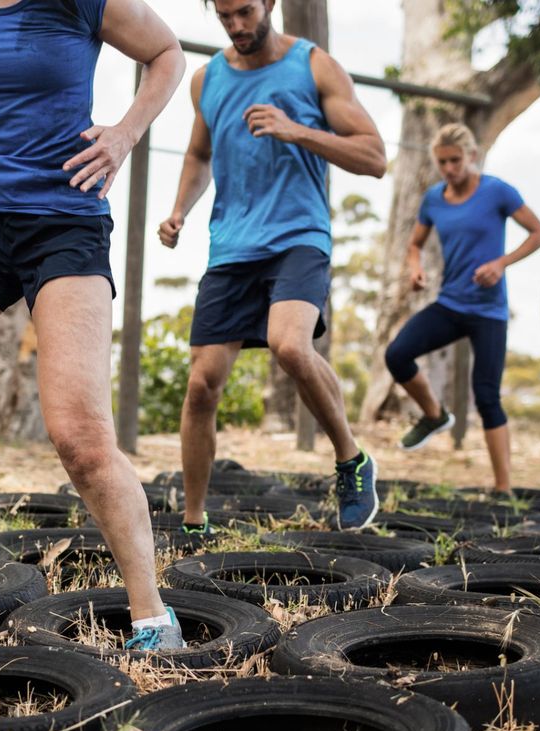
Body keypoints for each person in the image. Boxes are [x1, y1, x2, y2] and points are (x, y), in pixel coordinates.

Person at [0, 0, 186, 650]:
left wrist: (125, 134)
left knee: (81, 439)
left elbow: (167, 54)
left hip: (65, 222)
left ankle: (153, 619)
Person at [157, 0, 387, 531]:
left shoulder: (314, 66)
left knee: (290, 345)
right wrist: (179, 209)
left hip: (298, 237)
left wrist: (296, 130)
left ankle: (351, 460)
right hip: (232, 247)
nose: (236, 26)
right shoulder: (206, 80)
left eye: (245, 12)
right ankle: (194, 520)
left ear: (270, 3)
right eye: (224, 17)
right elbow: (199, 155)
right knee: (201, 385)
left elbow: (374, 157)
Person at [384, 123, 540, 494]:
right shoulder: (433, 199)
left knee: (487, 395)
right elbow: (415, 244)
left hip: (489, 312)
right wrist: (415, 269)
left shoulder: (497, 192)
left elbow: (539, 233)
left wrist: (501, 263)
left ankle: (503, 488)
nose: (449, 169)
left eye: (455, 160)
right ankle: (434, 415)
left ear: (471, 156)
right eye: (442, 162)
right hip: (450, 303)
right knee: (397, 354)